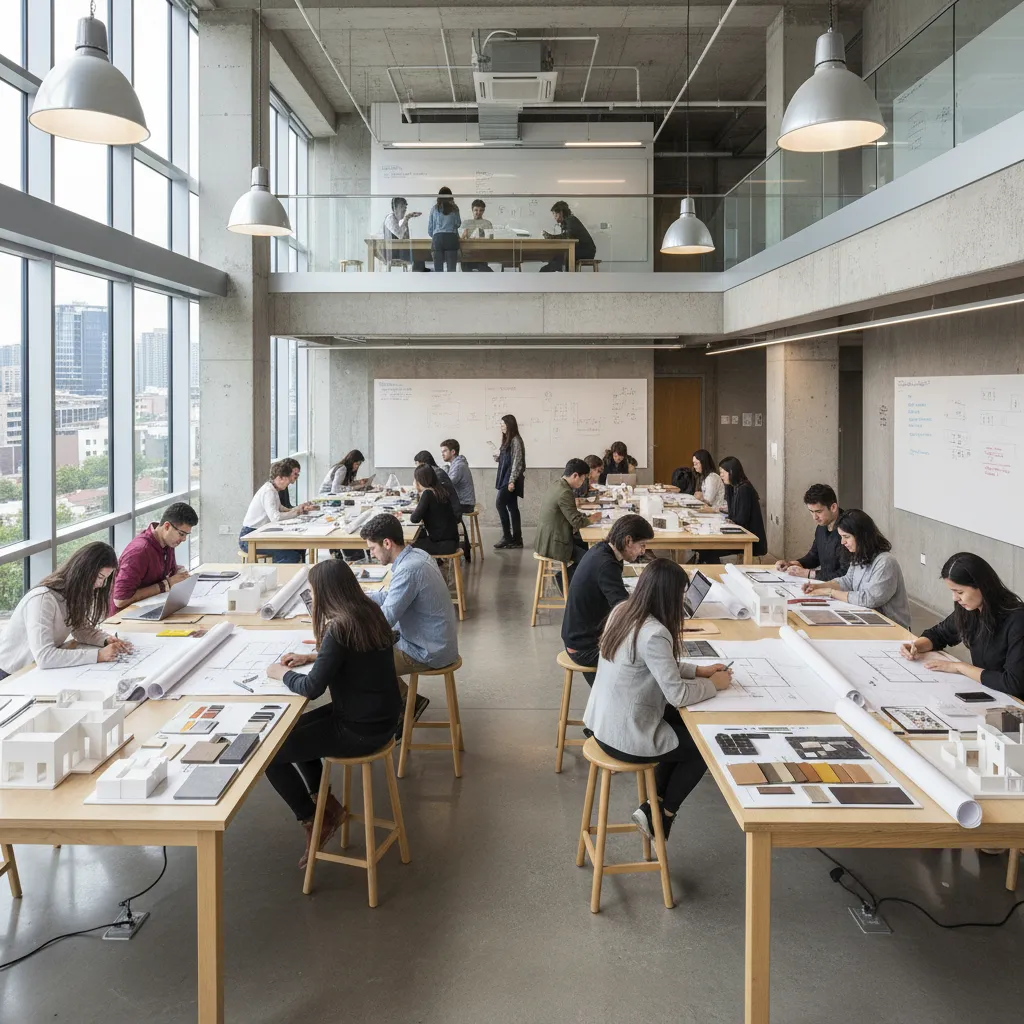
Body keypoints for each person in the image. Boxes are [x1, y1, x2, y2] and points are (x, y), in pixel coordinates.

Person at [263, 560, 403, 869]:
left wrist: (279, 674)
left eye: (313, 591)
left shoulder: (338, 627)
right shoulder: (367, 613)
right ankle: (326, 805)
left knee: (269, 754)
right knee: (290, 730)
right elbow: (355, 656)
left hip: (359, 729)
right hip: (381, 716)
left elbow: (312, 688)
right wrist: (314, 655)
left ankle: (313, 819)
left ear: (325, 592)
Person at [583, 558, 732, 840]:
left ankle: (653, 806)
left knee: (687, 731)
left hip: (603, 721)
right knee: (704, 747)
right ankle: (664, 814)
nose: (682, 604)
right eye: (680, 596)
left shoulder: (624, 611)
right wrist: (713, 685)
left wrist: (698, 670)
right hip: (624, 736)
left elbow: (656, 667)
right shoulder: (654, 633)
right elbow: (676, 694)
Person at [359, 513, 459, 722]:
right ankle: (406, 702)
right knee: (370, 650)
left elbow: (386, 620)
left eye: (372, 549)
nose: (371, 554)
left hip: (427, 651)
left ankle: (402, 706)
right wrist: (358, 597)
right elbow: (390, 596)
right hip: (435, 641)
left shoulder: (408, 570)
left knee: (358, 662)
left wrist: (350, 620)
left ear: (386, 543)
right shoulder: (417, 555)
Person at [0, 542, 132, 677]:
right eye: (99, 577)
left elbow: (81, 630)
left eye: (104, 579)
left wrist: (106, 640)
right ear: (84, 570)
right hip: (12, 675)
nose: (100, 584)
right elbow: (44, 657)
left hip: (35, 670)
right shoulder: (43, 598)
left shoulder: (74, 594)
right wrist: (98, 655)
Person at [901, 553, 1024, 697]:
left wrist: (960, 667)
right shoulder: (969, 610)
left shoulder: (1017, 619)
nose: (955, 598)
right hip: (990, 692)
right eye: (952, 592)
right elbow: (939, 634)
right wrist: (916, 646)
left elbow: (1013, 684)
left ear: (981, 586)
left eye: (959, 592)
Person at [562, 513, 654, 684]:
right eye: (642, 545)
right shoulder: (606, 564)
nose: (643, 550)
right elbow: (625, 612)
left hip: (581, 636)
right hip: (585, 648)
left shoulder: (603, 550)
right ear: (628, 541)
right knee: (645, 660)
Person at [802, 509, 911, 628]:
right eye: (841, 537)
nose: (843, 542)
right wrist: (819, 586)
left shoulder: (886, 562)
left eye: (846, 537)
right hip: (868, 620)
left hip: (892, 628)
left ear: (861, 536)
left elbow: (869, 600)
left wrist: (830, 592)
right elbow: (848, 581)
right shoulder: (859, 555)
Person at [112, 501, 198, 610]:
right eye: (181, 534)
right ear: (167, 526)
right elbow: (120, 600)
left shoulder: (168, 543)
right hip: (126, 617)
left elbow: (168, 572)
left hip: (150, 608)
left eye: (186, 535)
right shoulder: (139, 552)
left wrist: (179, 573)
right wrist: (166, 584)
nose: (184, 539)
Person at [535, 459, 603, 585]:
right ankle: (563, 578)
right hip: (554, 543)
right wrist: (592, 518)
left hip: (548, 538)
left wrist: (585, 517)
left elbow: (571, 514)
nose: (583, 482)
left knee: (590, 547)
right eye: (583, 479)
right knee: (591, 559)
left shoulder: (558, 484)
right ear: (575, 475)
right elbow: (576, 522)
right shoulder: (565, 492)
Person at [240, 459, 317, 563]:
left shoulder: (273, 489)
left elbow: (281, 508)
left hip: (262, 533)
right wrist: (296, 512)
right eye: (288, 480)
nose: (289, 482)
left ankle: (299, 575)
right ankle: (280, 578)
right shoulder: (268, 492)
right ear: (280, 478)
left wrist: (299, 508)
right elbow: (275, 517)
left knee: (299, 548)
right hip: (250, 537)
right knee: (290, 556)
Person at [775, 483, 848, 581]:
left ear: (833, 507)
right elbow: (814, 556)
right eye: (811, 511)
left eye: (818, 512)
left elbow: (846, 574)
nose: (815, 517)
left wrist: (809, 574)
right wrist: (793, 564)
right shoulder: (821, 527)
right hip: (825, 585)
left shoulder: (849, 530)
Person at [409, 464, 460, 556]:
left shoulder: (428, 494)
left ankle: (428, 568)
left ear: (420, 480)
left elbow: (414, 519)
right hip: (453, 541)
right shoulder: (441, 490)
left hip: (442, 545)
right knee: (420, 535)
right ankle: (437, 562)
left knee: (409, 547)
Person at [493, 413, 526, 549]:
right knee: (512, 508)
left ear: (510, 425)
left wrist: (512, 481)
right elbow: (507, 459)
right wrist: (498, 458)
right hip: (506, 477)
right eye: (500, 424)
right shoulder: (508, 440)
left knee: (500, 504)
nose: (501, 427)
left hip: (510, 479)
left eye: (503, 424)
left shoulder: (516, 440)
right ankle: (517, 539)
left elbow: (517, 462)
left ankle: (507, 537)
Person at [541, 200, 596, 272]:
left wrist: (551, 237)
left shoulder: (571, 220)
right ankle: (555, 273)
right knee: (558, 257)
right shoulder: (567, 221)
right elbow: (566, 237)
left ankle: (567, 277)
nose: (554, 217)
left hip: (586, 251)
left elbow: (567, 237)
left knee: (563, 256)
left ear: (561, 213)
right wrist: (551, 237)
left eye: (555, 214)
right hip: (580, 250)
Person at [383, 197, 428, 272]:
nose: (404, 210)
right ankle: (419, 275)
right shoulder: (390, 218)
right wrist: (407, 218)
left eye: (405, 208)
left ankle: (419, 274)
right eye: (401, 207)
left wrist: (407, 219)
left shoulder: (397, 221)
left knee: (420, 255)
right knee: (419, 255)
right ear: (394, 208)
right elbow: (401, 235)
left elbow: (406, 238)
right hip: (392, 252)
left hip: (398, 250)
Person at [427, 187, 461, 273]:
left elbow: (430, 230)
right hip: (451, 238)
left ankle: (439, 286)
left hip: (438, 238)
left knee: (438, 271)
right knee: (451, 270)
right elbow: (458, 224)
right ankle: (451, 285)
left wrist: (436, 234)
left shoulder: (434, 209)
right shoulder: (454, 208)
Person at [440, 438, 476, 510]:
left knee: (436, 507)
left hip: (465, 504)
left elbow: (449, 484)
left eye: (444, 451)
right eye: (442, 452)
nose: (442, 454)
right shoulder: (455, 464)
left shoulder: (459, 466)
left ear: (453, 452)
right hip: (462, 502)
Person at [459, 199, 494, 272]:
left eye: (481, 210)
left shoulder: (487, 223)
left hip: (481, 254)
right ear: (472, 210)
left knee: (484, 271)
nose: (478, 212)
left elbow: (491, 240)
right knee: (467, 272)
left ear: (483, 211)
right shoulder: (466, 223)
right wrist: (463, 236)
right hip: (468, 254)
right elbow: (460, 241)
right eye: (476, 210)